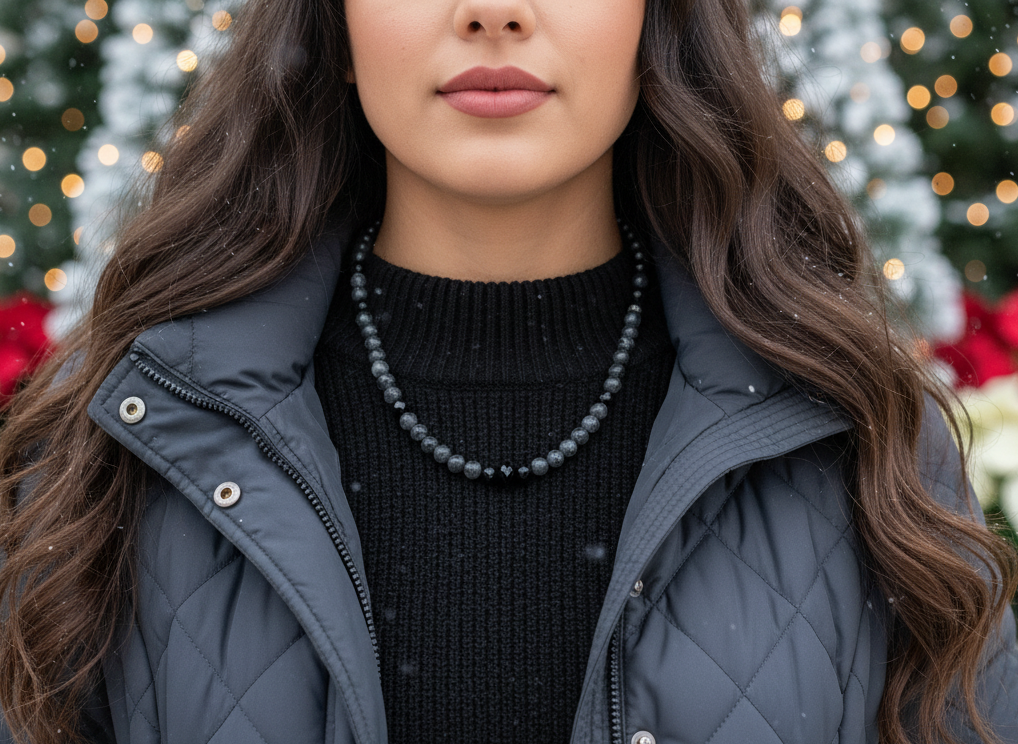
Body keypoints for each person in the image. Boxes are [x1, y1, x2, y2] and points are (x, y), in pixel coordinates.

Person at [1, 0, 1017, 742]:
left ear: (655, 25)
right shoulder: (133, 435)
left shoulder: (851, 433)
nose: (492, 13)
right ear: (337, 31)